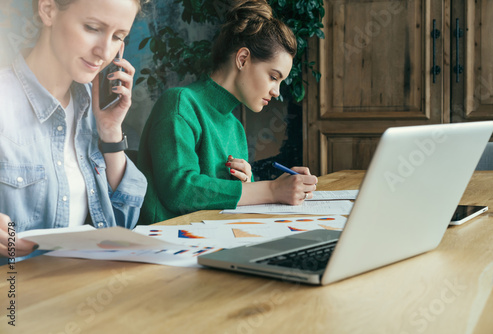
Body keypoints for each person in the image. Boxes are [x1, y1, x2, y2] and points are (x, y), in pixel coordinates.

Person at [138, 0, 318, 224]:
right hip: (167, 245)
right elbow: (179, 191)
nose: (276, 92)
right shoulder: (179, 104)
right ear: (243, 59)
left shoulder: (235, 128)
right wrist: (271, 189)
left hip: (217, 240)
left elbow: (222, 203)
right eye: (273, 77)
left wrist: (247, 183)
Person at [0, 0, 148, 261]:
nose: (104, 51)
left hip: (82, 289)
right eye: (92, 28)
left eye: (117, 37)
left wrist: (111, 133)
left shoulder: (96, 109)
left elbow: (123, 227)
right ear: (48, 10)